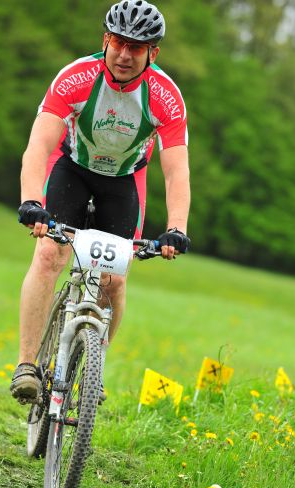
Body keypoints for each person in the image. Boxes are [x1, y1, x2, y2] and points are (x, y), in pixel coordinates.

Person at [11, 0, 191, 403]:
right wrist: (31, 202)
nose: (125, 55)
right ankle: (26, 365)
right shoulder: (76, 78)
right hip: (72, 168)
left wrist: (176, 227)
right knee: (49, 255)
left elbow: (176, 170)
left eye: (136, 47)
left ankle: (93, 371)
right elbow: (38, 146)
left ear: (153, 53)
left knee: (114, 278)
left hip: (124, 180)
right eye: (118, 43)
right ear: (105, 40)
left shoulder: (166, 96)